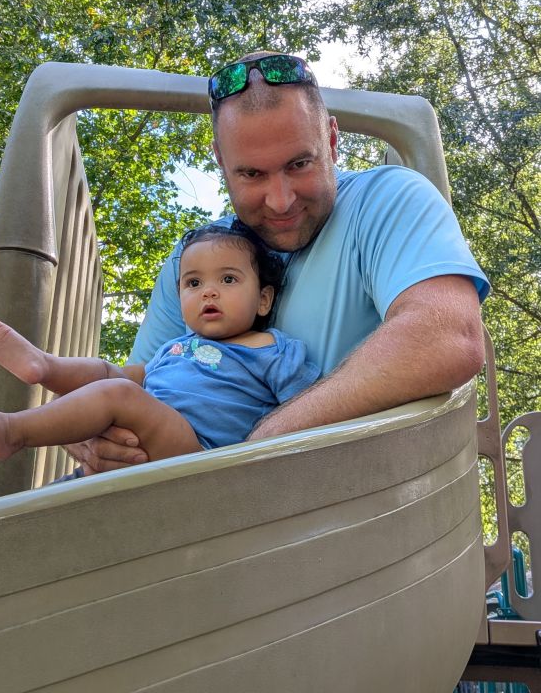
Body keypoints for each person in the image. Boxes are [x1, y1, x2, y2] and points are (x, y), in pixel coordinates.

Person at [67, 51, 490, 475]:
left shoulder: (388, 200)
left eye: (299, 164)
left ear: (331, 140)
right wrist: (101, 438)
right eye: (252, 174)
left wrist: (260, 449)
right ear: (220, 161)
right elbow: (140, 388)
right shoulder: (194, 258)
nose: (281, 200)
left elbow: (448, 338)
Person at [0, 223, 320, 467]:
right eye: (193, 284)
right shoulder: (176, 348)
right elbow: (123, 376)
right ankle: (45, 366)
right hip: (143, 443)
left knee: (118, 393)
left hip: (203, 455)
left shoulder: (272, 348)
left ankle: (14, 432)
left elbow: (311, 408)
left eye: (228, 279)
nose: (208, 291)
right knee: (106, 374)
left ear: (263, 299)